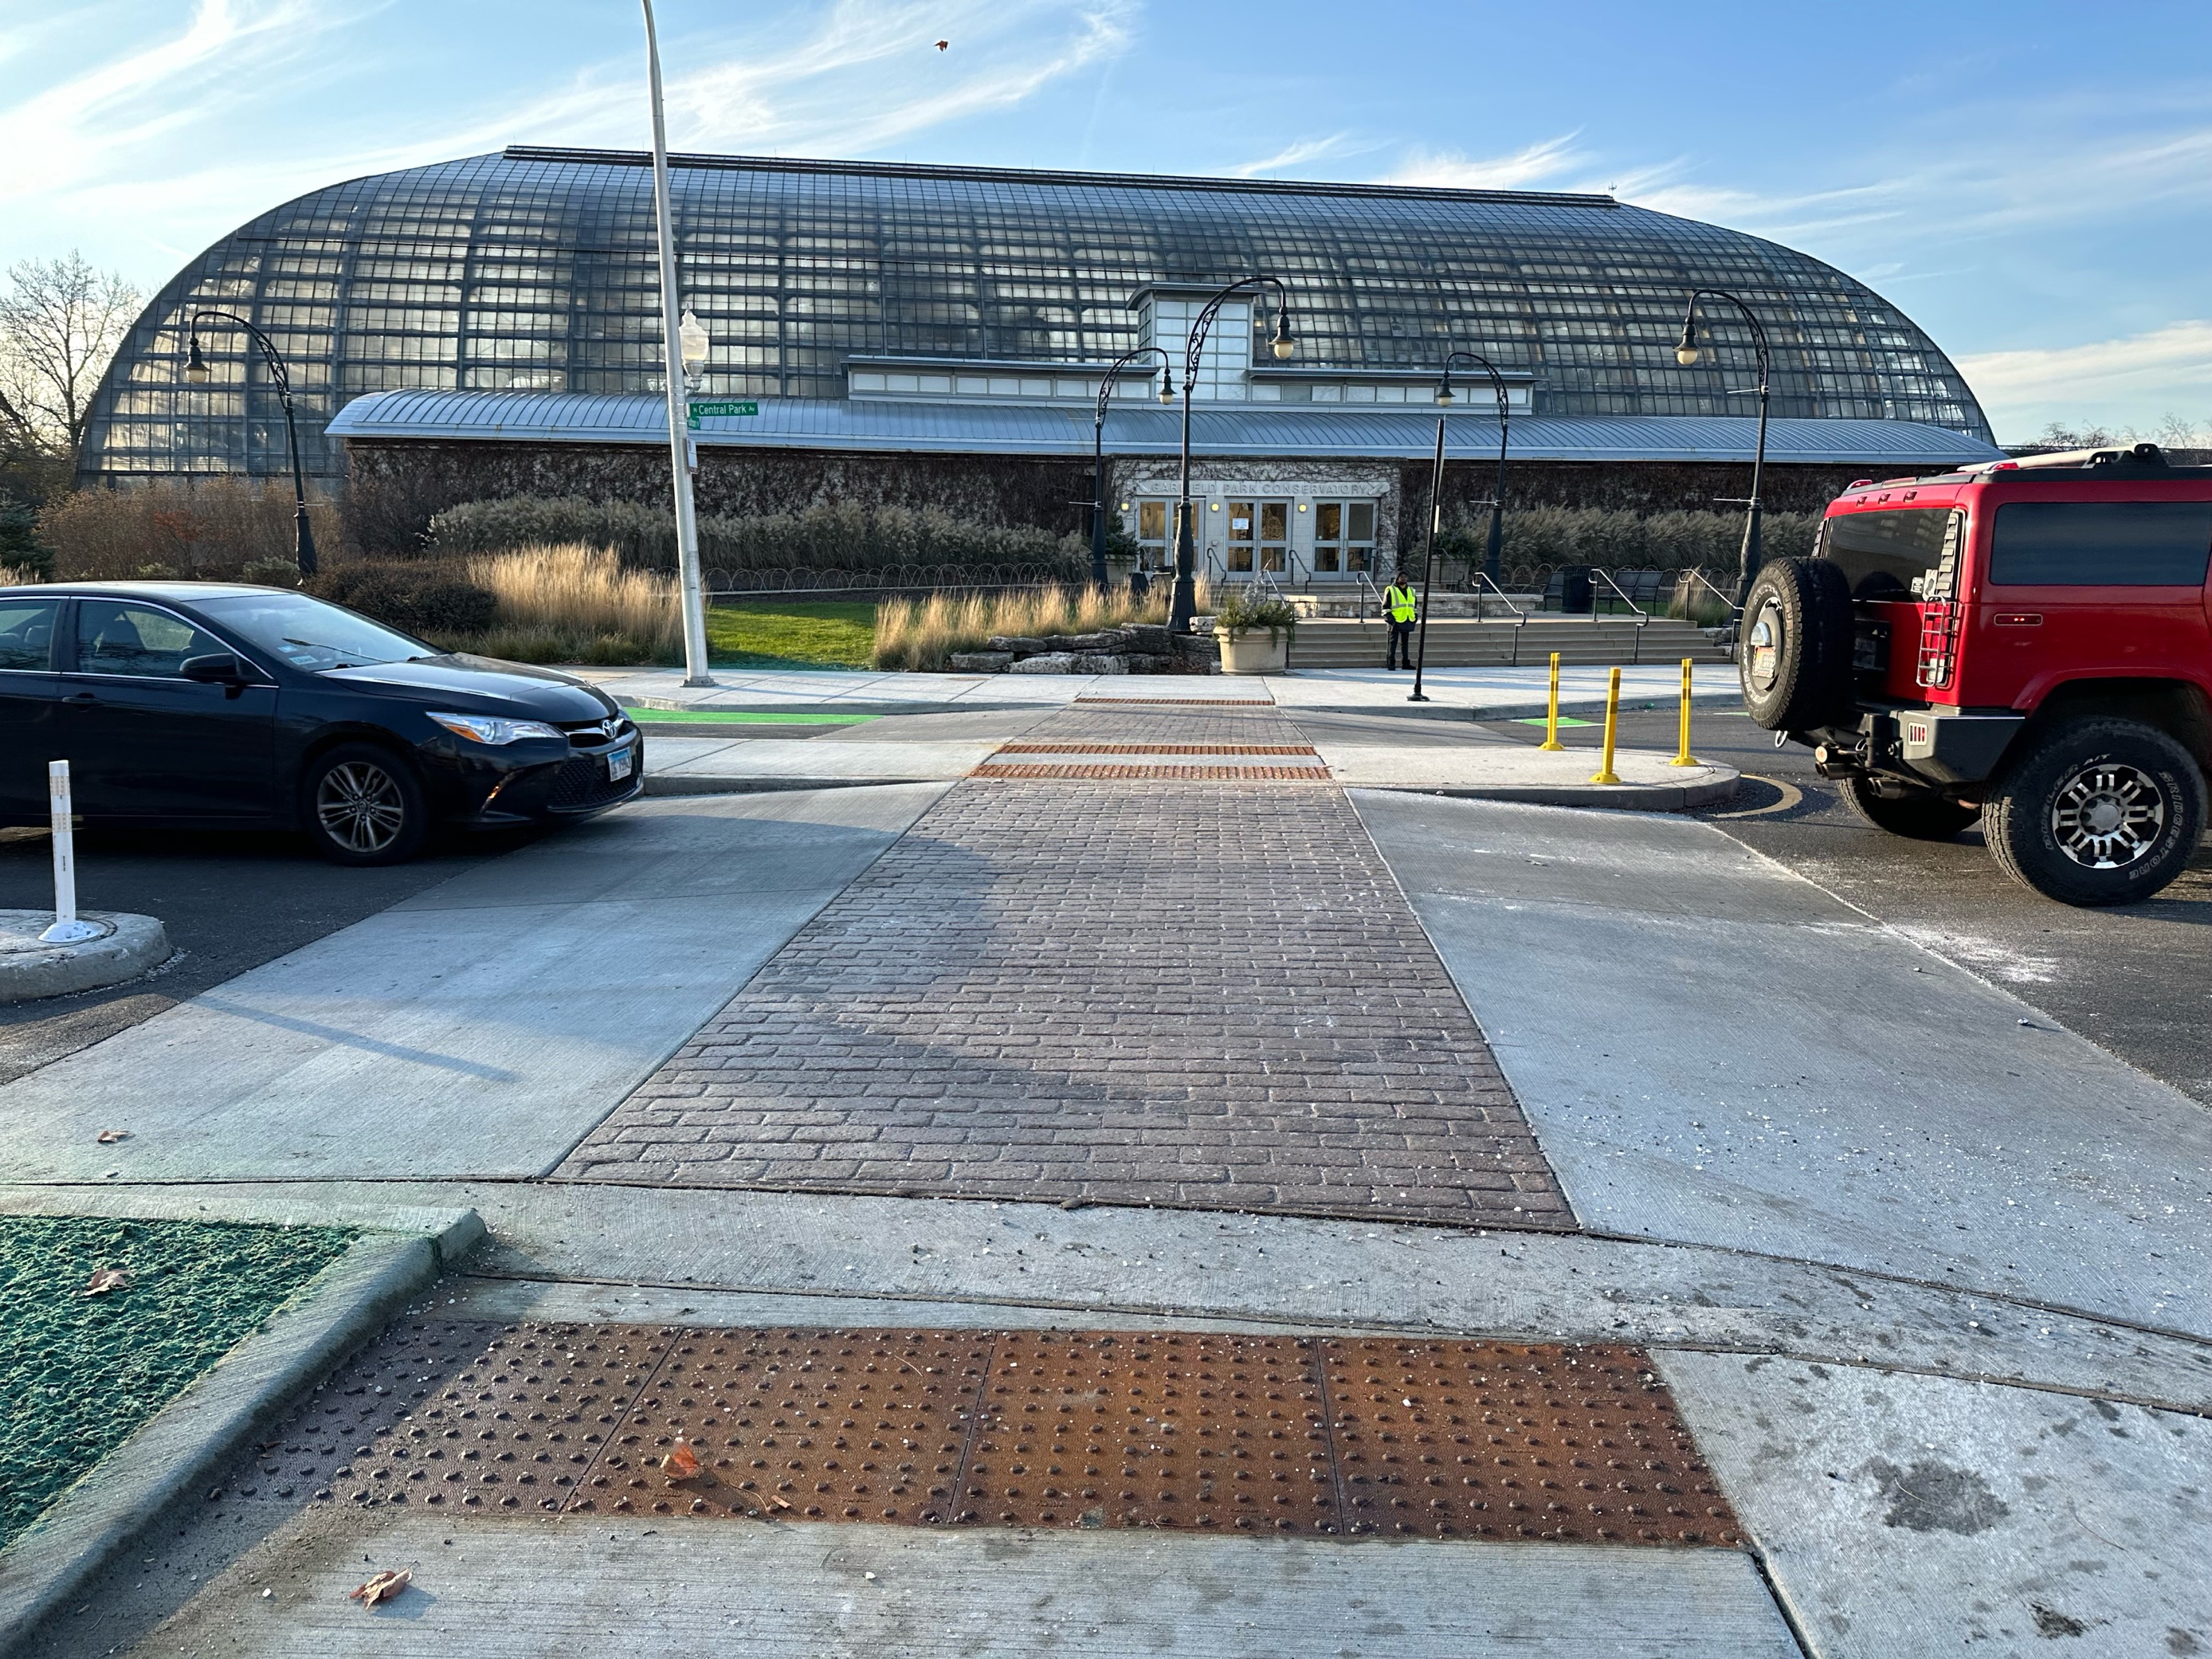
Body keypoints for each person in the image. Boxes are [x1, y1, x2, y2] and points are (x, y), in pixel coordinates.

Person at [1383, 575, 1418, 670]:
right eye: (1402, 577)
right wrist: (1390, 619)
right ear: (1397, 578)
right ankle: (1391, 663)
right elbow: (1385, 607)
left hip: (1407, 619)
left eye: (1406, 577)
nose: (1404, 579)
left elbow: (1414, 605)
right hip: (1394, 620)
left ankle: (1405, 663)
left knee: (1405, 643)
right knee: (1392, 643)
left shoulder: (1411, 590)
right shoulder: (1391, 589)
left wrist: (1415, 617)